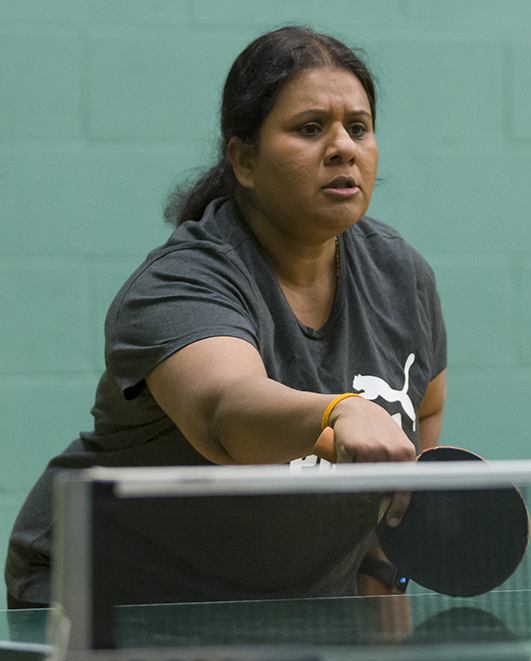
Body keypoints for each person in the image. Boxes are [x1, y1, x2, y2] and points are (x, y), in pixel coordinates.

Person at [5, 26, 447, 609]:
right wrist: (341, 410)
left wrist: (380, 571)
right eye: (310, 128)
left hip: (279, 609)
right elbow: (224, 414)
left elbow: (423, 410)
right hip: (111, 601)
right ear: (244, 160)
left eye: (358, 127)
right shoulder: (184, 282)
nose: (343, 147)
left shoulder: (401, 277)